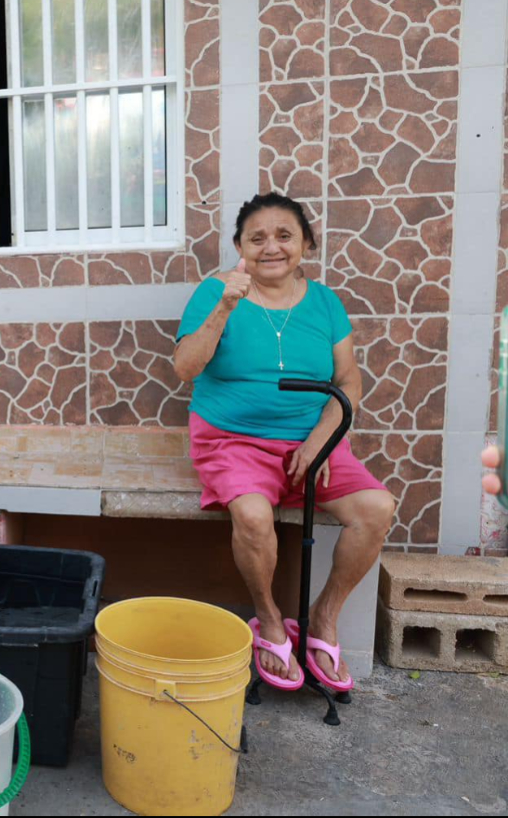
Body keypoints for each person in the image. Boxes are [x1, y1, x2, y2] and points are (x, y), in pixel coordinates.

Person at [174, 192, 395, 695]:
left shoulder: (324, 302)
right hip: (232, 441)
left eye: (284, 235)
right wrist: (227, 304)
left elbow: (349, 381)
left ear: (306, 245)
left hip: (311, 443)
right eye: (257, 238)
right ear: (240, 248)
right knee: (252, 515)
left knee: (377, 508)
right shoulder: (215, 292)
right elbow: (186, 368)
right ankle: (269, 619)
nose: (270, 246)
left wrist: (320, 441)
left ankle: (324, 619)